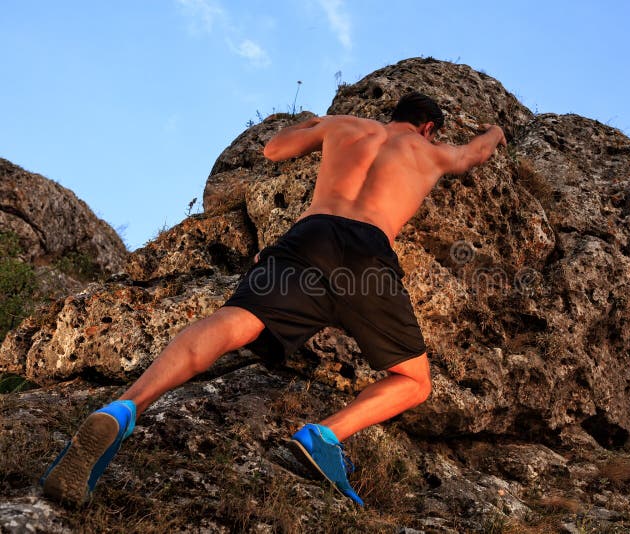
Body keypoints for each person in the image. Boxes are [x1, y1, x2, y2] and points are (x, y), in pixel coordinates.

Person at [40, 92, 507, 506]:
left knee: (236, 320)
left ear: (393, 114)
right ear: (427, 126)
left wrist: (308, 121)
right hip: (369, 253)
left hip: (311, 235)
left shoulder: (346, 126)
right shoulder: (432, 151)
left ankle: (122, 409)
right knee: (414, 380)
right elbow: (478, 153)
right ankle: (323, 435)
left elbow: (274, 149)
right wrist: (496, 129)